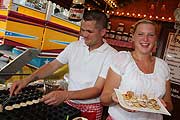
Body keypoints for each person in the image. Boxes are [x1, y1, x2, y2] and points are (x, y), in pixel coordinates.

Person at [10, 10, 117, 120]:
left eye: (89, 31)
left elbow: (97, 89)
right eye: (82, 30)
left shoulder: (111, 55)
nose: (84, 35)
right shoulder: (74, 46)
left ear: (103, 32)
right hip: (68, 103)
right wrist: (26, 80)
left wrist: (65, 95)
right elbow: (52, 66)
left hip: (91, 108)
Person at [100, 19, 173, 120]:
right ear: (133, 37)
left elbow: (169, 105)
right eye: (140, 34)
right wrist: (114, 98)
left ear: (156, 39)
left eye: (150, 35)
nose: (145, 39)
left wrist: (163, 105)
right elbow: (104, 99)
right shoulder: (122, 59)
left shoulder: (163, 66)